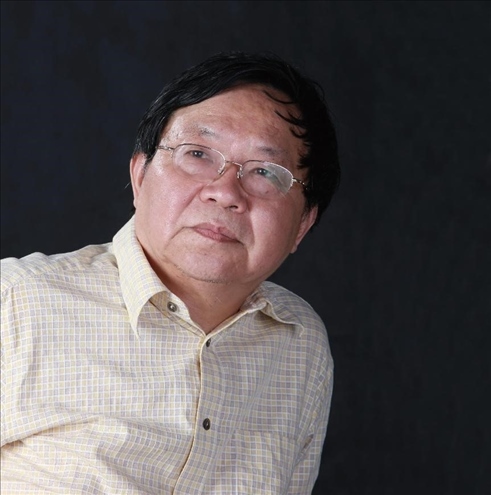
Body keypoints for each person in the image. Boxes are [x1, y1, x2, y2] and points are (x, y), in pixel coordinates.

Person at [1, 51, 340, 494]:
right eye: (197, 153)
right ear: (140, 175)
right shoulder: (16, 303)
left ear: (303, 224)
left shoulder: (300, 344)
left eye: (264, 171)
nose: (225, 192)